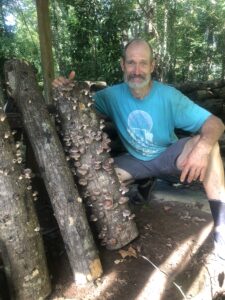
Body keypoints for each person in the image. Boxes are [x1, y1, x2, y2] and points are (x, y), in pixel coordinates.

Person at [53, 38, 225, 296]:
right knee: (91, 180)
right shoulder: (110, 96)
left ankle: (222, 232)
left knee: (210, 148)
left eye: (142, 63)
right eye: (131, 63)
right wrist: (65, 87)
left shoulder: (169, 96)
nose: (136, 70)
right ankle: (137, 190)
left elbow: (215, 123)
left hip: (169, 157)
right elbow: (79, 102)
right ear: (122, 65)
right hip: (133, 162)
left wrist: (201, 147)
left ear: (152, 66)